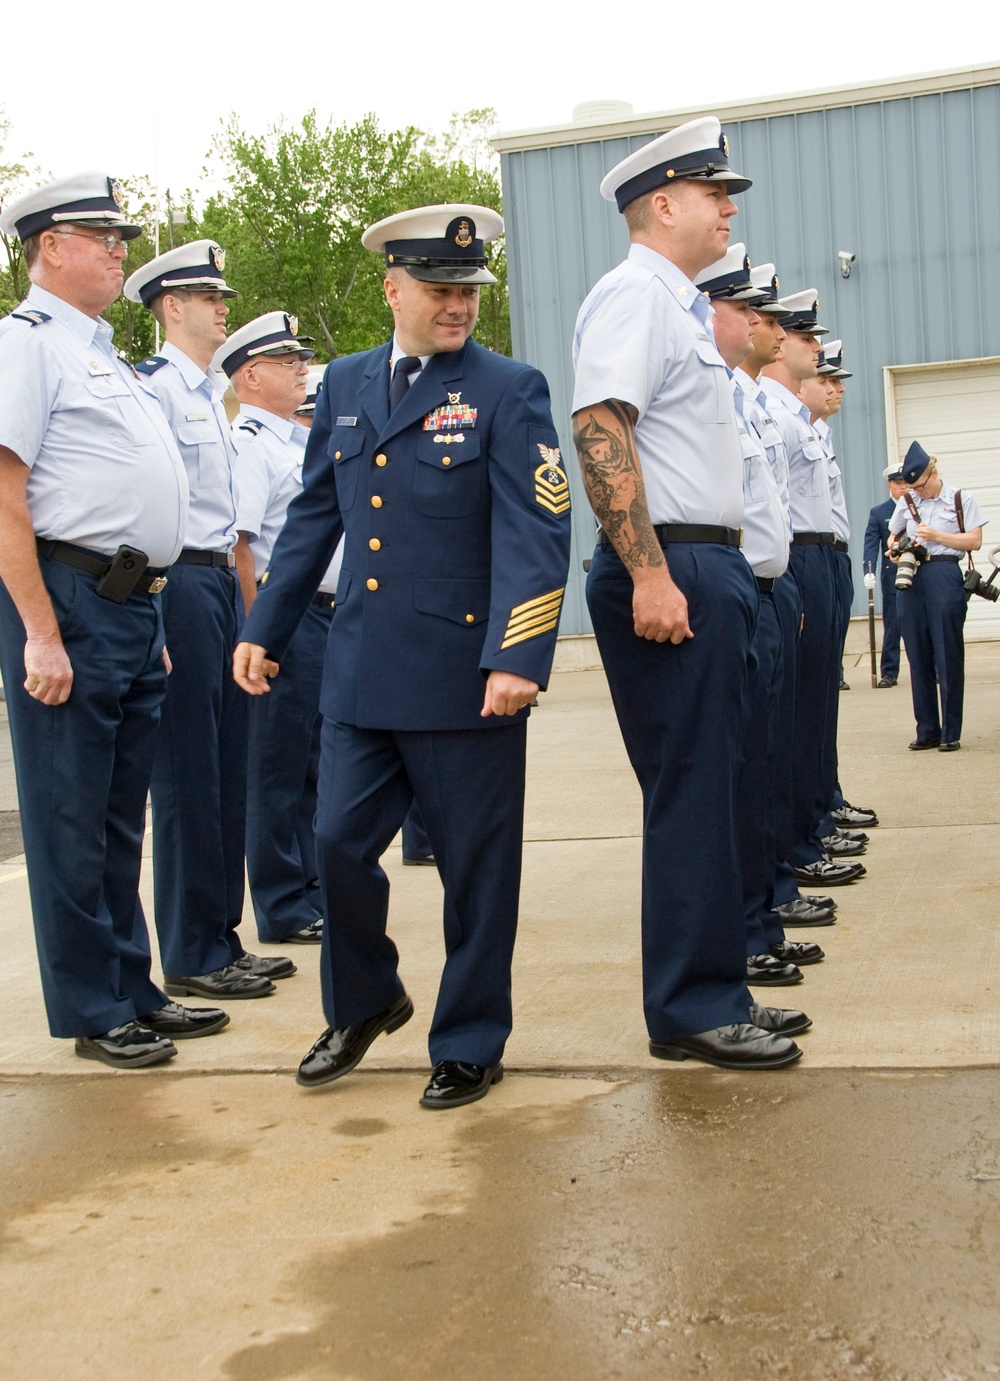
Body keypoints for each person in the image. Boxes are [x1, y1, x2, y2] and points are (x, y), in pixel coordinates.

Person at [234, 203, 573, 1108]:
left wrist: (520, 654)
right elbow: (313, 516)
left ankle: (468, 1037)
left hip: (468, 677)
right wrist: (263, 626)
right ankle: (365, 1000)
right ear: (393, 289)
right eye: (438, 287)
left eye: (466, 289)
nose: (457, 303)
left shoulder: (508, 388)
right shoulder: (343, 383)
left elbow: (539, 528)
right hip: (362, 670)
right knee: (338, 843)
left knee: (475, 870)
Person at [572, 117, 806, 1071]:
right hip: (669, 567)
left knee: (718, 784)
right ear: (662, 204)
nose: (728, 207)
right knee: (691, 791)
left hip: (707, 563)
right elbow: (599, 428)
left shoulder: (674, 308)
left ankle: (718, 985)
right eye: (715, 193)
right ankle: (689, 1005)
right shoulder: (632, 296)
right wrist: (650, 571)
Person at [0, 172, 229, 1067]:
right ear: (50, 246)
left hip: (133, 609)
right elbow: (8, 498)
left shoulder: (99, 353)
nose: (120, 248)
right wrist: (40, 633)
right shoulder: (26, 345)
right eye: (102, 235)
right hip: (68, 602)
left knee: (116, 815)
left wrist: (158, 624)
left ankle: (134, 984)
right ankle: (93, 1006)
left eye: (120, 234)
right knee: (68, 813)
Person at [124, 244, 293, 998]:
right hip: (183, 582)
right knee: (188, 772)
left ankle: (222, 936)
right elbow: (146, 504)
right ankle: (192, 950)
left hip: (220, 582)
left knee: (225, 768)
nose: (221, 306)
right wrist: (155, 610)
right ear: (169, 307)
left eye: (221, 294)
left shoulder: (210, 403)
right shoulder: (154, 390)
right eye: (203, 295)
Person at [694, 246, 822, 988]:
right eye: (751, 309)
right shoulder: (726, 396)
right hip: (736, 591)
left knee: (769, 760)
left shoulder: (749, 401)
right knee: (739, 771)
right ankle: (747, 926)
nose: (765, 324)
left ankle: (764, 911)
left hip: (769, 592)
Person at [216, 312, 336, 947]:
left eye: (300, 359)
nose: (300, 370)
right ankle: (283, 903)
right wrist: (258, 631)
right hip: (285, 619)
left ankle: (313, 888)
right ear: (251, 375)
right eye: (287, 361)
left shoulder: (292, 441)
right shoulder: (250, 444)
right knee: (276, 767)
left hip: (320, 616)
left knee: (312, 762)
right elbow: (242, 545)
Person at [761, 292, 866, 891]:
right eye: (808, 341)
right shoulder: (773, 412)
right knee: (794, 713)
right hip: (796, 558)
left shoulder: (797, 422)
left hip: (820, 557)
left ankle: (817, 813)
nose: (822, 360)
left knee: (816, 701)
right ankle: (803, 832)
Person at [888, 441, 985, 751]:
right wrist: (894, 549)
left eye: (920, 485)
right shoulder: (907, 502)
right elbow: (894, 534)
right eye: (910, 486)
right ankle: (927, 729)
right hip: (911, 576)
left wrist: (936, 536)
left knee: (947, 653)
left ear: (934, 473)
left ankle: (950, 732)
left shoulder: (959, 499)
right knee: (918, 654)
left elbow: (974, 541)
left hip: (944, 572)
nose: (916, 491)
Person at [863, 464, 906, 687]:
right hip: (893, 574)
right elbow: (871, 544)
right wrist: (868, 570)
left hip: (919, 571)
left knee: (924, 623)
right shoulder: (880, 513)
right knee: (893, 624)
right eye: (898, 483)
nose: (903, 487)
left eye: (906, 483)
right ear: (889, 485)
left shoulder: (918, 507)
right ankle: (889, 672)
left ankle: (934, 668)